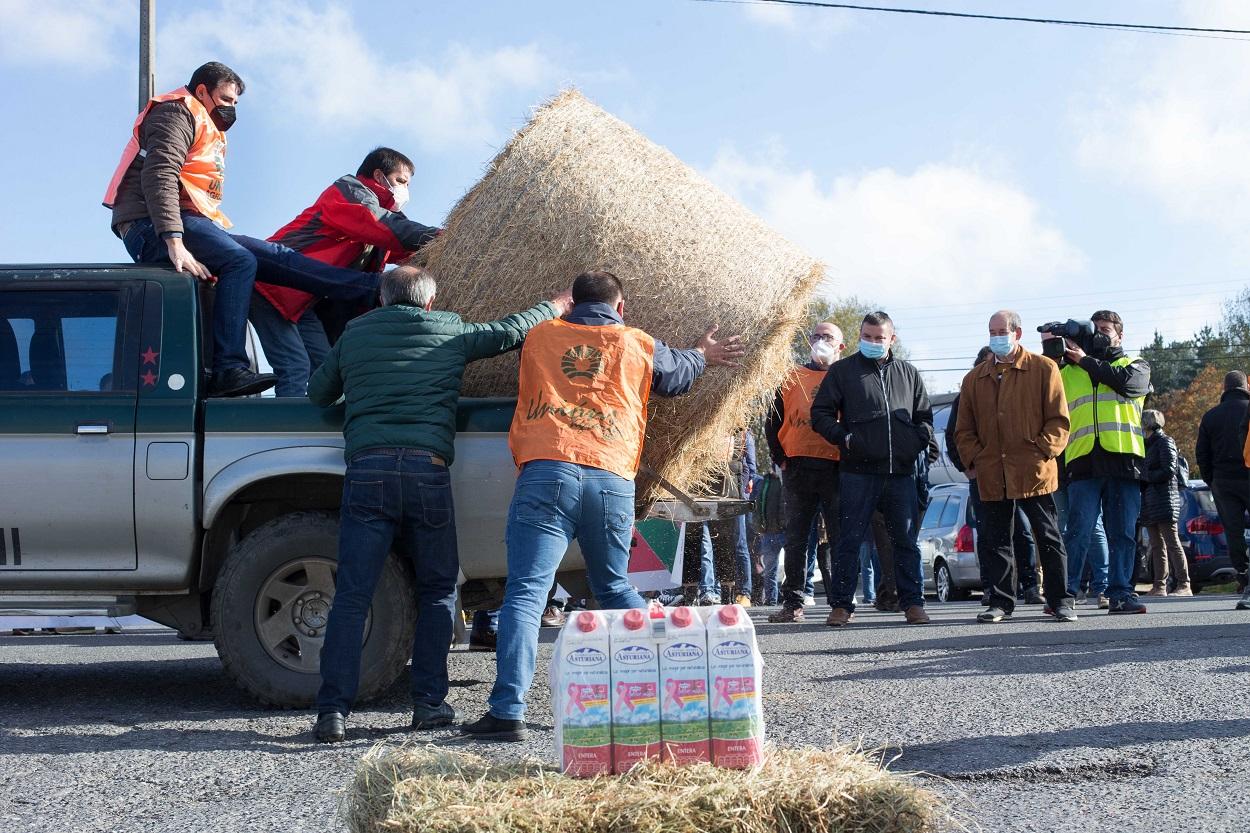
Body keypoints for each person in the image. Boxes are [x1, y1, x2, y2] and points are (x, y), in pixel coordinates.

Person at [462, 270, 744, 740]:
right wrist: (703, 354)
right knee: (613, 588)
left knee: (528, 595)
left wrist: (553, 307)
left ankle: (507, 711)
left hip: (547, 473)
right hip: (611, 478)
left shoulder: (540, 335)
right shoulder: (637, 342)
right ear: (622, 306)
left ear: (571, 303)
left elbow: (507, 333)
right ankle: (673, 689)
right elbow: (679, 375)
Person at [308, 266, 571, 743]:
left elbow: (318, 393)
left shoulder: (355, 332)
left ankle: (333, 711)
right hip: (427, 472)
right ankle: (428, 703)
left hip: (367, 472)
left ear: (383, 301)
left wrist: (362, 398)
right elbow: (509, 331)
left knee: (352, 594)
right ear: (428, 303)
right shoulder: (448, 329)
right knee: (437, 590)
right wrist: (554, 305)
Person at [105, 62, 382, 397]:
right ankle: (228, 368)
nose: (230, 108)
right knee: (240, 261)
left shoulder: (206, 121)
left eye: (236, 103)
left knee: (275, 255)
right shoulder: (176, 113)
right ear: (202, 90)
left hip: (189, 221)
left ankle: (373, 289)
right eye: (225, 99)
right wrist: (173, 241)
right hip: (150, 225)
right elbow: (159, 174)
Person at [252, 147, 441, 396]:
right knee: (294, 366)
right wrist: (444, 237)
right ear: (378, 175)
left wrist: (438, 255)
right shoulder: (348, 194)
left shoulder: (381, 218)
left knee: (327, 367)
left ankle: (316, 427)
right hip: (273, 287)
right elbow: (380, 225)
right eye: (401, 181)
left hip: (302, 301)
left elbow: (403, 251)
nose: (405, 190)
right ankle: (291, 432)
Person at [811, 311, 933, 627]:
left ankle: (913, 605)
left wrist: (914, 443)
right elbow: (820, 413)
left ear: (892, 339)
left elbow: (925, 419)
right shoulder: (842, 371)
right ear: (860, 337)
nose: (873, 342)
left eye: (879, 338)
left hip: (900, 474)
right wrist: (844, 438)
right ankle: (840, 606)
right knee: (849, 540)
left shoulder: (908, 373)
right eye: (867, 337)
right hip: (857, 472)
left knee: (905, 541)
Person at [954, 311, 1076, 623]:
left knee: (1047, 535)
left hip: (1034, 470)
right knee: (996, 540)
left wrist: (1041, 451)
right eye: (991, 331)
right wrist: (976, 459)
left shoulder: (1043, 368)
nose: (996, 337)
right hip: (992, 472)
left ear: (1017, 333)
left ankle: (1060, 600)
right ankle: (1000, 602)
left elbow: (1059, 421)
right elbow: (963, 429)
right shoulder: (974, 379)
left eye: (1001, 331)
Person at [1058, 310, 1151, 614]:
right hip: (1083, 462)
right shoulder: (1068, 371)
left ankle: (1121, 593)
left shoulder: (1135, 365)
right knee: (1078, 530)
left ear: (1120, 335)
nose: (1100, 333)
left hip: (1123, 461)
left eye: (1106, 329)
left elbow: (1127, 385)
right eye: (1095, 328)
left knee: (1122, 532)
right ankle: (1067, 593)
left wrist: (1084, 359)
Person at [947, 347, 1044, 606]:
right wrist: (969, 466)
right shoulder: (969, 391)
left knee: (1022, 531)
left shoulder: (1018, 388)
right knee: (990, 534)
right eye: (988, 363)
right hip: (984, 476)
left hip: (1018, 474)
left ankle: (1030, 585)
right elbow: (955, 435)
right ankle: (993, 589)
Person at [764, 322, 845, 624]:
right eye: (817, 336)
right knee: (796, 538)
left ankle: (840, 602)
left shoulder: (846, 377)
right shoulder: (791, 377)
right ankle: (793, 603)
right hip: (797, 468)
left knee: (839, 537)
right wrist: (780, 457)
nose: (821, 341)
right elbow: (772, 421)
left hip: (836, 467)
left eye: (828, 337)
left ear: (841, 346)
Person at [1197, 371, 1250, 607]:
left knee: (1234, 532)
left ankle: (1245, 578)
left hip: (1224, 480)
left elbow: (1202, 455)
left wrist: (1212, 481)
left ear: (1224, 387)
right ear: (1246, 385)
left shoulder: (1210, 417)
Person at [1140, 410, 1192, 597]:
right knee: (1156, 545)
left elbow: (1169, 469)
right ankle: (1159, 585)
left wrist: (1145, 476)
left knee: (1172, 543)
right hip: (1150, 501)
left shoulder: (1165, 442)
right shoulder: (1146, 444)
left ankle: (1184, 584)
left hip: (1164, 499)